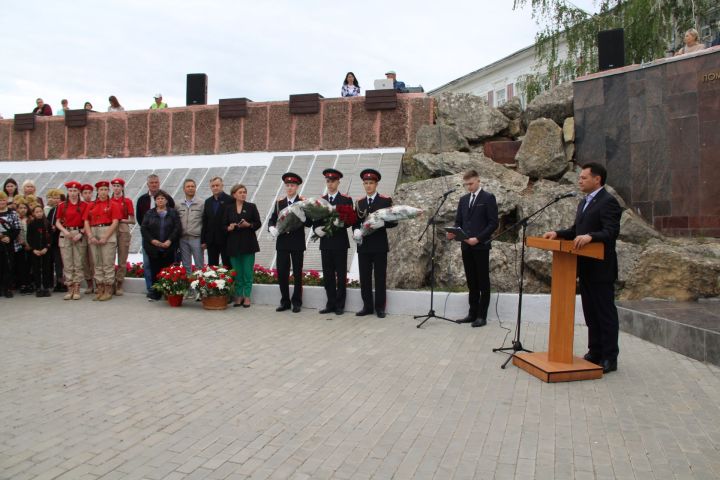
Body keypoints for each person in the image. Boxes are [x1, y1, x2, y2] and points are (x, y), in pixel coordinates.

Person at [542, 162, 622, 374]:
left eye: (584, 177)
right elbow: (576, 230)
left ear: (597, 179)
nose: (580, 180)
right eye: (580, 177)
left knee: (604, 314)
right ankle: (594, 351)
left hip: (601, 268)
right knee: (591, 313)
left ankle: (609, 357)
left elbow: (610, 232)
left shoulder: (608, 202)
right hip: (584, 267)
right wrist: (558, 234)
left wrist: (591, 237)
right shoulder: (583, 203)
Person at [447, 170, 499, 327]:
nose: (469, 187)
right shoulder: (463, 200)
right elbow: (459, 222)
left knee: (483, 281)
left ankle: (482, 316)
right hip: (466, 246)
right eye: (466, 184)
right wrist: (453, 233)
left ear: (478, 181)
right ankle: (472, 313)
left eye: (471, 183)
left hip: (481, 246)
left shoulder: (488, 198)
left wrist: (478, 238)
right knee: (471, 281)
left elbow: (493, 223)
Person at [353, 169, 397, 318]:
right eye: (366, 183)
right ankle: (367, 306)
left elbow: (394, 222)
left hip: (379, 245)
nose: (368, 186)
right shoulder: (359, 202)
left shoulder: (385, 201)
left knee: (379, 277)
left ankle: (380, 308)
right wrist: (355, 231)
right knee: (364, 278)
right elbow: (355, 222)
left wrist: (382, 224)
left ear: (376, 184)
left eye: (371, 183)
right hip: (364, 245)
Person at [268, 173, 312, 313]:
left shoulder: (303, 202)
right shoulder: (279, 203)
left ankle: (297, 302)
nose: (289, 188)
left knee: (297, 273)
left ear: (297, 186)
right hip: (282, 242)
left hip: (297, 242)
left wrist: (303, 217)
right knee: (282, 272)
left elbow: (310, 222)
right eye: (287, 185)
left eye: (292, 185)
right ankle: (285, 301)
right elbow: (272, 219)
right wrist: (271, 228)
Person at [313, 168, 353, 315]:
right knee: (328, 275)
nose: (330, 184)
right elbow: (315, 219)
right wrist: (317, 229)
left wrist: (341, 222)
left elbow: (350, 220)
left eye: (333, 181)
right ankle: (330, 304)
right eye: (328, 181)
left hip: (340, 242)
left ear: (338, 182)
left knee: (341, 275)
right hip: (326, 243)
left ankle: (340, 305)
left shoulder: (345, 199)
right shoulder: (320, 201)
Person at [136, 174, 175, 296]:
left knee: (165, 264)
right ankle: (152, 289)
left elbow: (173, 216)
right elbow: (139, 219)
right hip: (149, 239)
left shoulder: (168, 198)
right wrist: (149, 236)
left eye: (156, 182)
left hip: (165, 238)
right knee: (148, 264)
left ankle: (165, 289)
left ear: (159, 183)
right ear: (147, 185)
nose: (154, 185)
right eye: (151, 183)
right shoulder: (142, 200)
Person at [224, 184, 261, 307]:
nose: (243, 194)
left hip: (248, 244)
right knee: (237, 272)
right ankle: (238, 296)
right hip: (233, 244)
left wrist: (249, 225)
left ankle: (247, 297)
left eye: (244, 192)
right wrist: (228, 227)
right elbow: (222, 225)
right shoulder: (228, 208)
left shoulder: (251, 207)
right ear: (234, 194)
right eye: (240, 192)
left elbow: (258, 223)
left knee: (247, 272)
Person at [84, 181, 122, 301]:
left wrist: (106, 236)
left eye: (106, 189)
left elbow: (115, 221)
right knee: (97, 263)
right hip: (94, 231)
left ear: (108, 191)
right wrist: (90, 235)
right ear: (97, 191)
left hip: (107, 231)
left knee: (107, 263)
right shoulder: (91, 205)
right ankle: (99, 288)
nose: (103, 192)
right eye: (101, 189)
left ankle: (108, 288)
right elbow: (86, 221)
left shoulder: (113, 204)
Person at [141, 189, 181, 301]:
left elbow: (177, 228)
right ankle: (156, 293)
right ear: (155, 201)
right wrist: (152, 240)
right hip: (154, 247)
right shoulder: (149, 213)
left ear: (166, 200)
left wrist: (169, 240)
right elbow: (144, 229)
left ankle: (168, 292)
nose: (160, 200)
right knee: (155, 270)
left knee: (168, 271)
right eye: (158, 198)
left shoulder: (173, 212)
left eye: (162, 198)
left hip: (168, 246)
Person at [56, 181, 89, 300]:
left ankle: (77, 287)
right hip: (66, 233)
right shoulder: (62, 205)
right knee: (67, 262)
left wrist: (81, 233)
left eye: (75, 191)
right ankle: (69, 287)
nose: (73, 193)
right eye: (70, 191)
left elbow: (86, 222)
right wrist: (64, 231)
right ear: (67, 192)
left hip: (78, 233)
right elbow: (57, 222)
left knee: (78, 262)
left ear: (79, 192)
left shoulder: (84, 205)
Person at [110, 178, 135, 295]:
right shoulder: (108, 201)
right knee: (109, 258)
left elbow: (132, 220)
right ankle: (109, 283)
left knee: (122, 259)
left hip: (123, 229)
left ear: (122, 188)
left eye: (118, 186)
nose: (116, 188)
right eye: (114, 186)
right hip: (110, 229)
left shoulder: (127, 201)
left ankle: (119, 283)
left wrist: (120, 220)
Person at [201, 176, 232, 267]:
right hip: (211, 240)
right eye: (213, 186)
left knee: (227, 265)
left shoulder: (230, 200)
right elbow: (205, 221)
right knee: (212, 266)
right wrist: (203, 240)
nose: (215, 187)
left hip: (226, 239)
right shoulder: (208, 202)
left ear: (222, 185)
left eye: (217, 185)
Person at [176, 179, 204, 272]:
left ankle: (199, 285)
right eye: (188, 186)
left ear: (195, 188)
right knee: (186, 266)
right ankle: (187, 285)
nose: (190, 188)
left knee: (199, 266)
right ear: (184, 189)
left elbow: (205, 222)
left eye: (192, 186)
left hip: (196, 238)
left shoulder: (202, 203)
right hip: (183, 238)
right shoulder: (178, 204)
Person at [26, 205, 53, 297]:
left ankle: (46, 287)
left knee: (46, 268)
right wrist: (33, 249)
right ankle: (38, 287)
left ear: (43, 212)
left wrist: (47, 248)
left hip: (45, 250)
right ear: (33, 213)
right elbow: (29, 237)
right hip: (35, 250)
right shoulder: (31, 224)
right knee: (36, 269)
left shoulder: (47, 223)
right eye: (36, 212)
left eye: (40, 211)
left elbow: (50, 237)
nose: (39, 213)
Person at [45, 188, 67, 292]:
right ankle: (58, 281)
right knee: (57, 262)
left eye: (58, 198)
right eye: (54, 198)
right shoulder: (52, 210)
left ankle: (64, 282)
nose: (56, 200)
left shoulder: (64, 209)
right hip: (53, 240)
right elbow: (47, 223)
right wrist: (51, 227)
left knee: (64, 262)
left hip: (63, 238)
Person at [0, 192, 21, 297]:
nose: (1, 202)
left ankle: (8, 288)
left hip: (9, 243)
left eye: (3, 200)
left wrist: (9, 237)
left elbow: (17, 228)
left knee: (8, 266)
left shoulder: (12, 213)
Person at [12, 197, 32, 294]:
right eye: (20, 208)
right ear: (17, 209)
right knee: (21, 265)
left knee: (29, 265)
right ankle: (23, 284)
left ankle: (29, 283)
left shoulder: (30, 219)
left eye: (24, 208)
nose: (23, 210)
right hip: (20, 245)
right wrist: (23, 243)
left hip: (30, 245)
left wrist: (29, 244)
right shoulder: (16, 219)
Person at [80, 184, 96, 294]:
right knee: (84, 260)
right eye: (85, 193)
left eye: (89, 193)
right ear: (81, 194)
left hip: (92, 233)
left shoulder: (95, 204)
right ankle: (89, 284)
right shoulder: (79, 206)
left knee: (94, 259)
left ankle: (97, 283)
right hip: (81, 234)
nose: (87, 195)